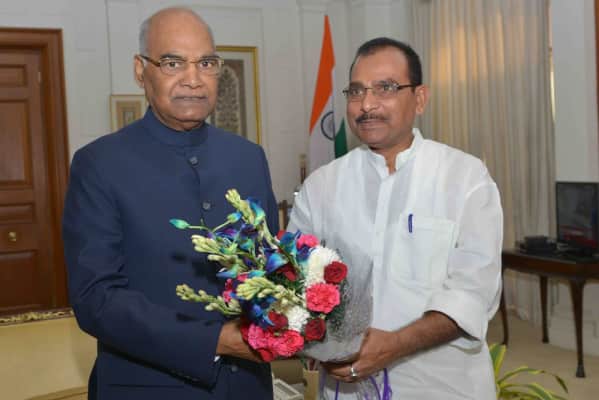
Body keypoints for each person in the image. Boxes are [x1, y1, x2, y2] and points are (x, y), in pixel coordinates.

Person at [62, 7, 278, 400]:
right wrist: (216, 340)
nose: (193, 80)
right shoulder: (99, 164)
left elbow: (268, 268)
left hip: (248, 386)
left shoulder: (248, 157)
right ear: (140, 70)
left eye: (206, 63)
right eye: (173, 63)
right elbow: (96, 298)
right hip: (147, 387)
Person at [288, 37, 503, 399]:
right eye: (357, 91)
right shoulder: (322, 186)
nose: (367, 104)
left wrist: (394, 345)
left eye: (385, 88)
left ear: (420, 98)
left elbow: (472, 292)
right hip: (346, 388)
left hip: (443, 386)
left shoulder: (465, 178)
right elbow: (293, 283)